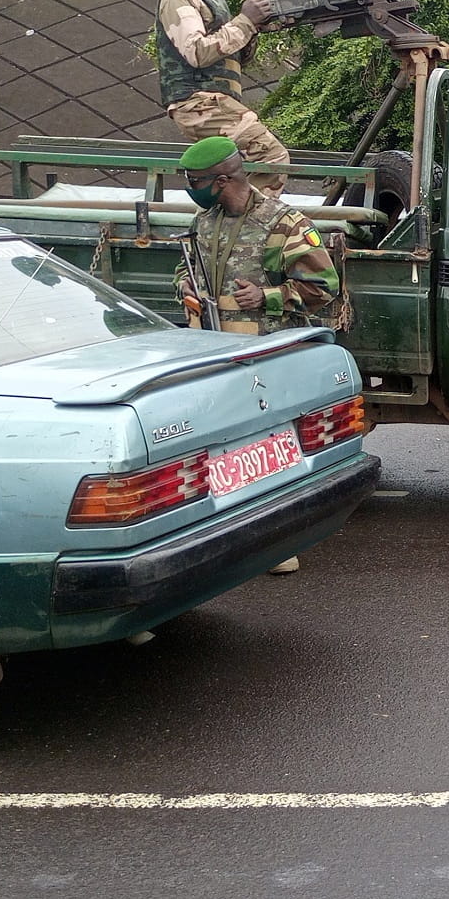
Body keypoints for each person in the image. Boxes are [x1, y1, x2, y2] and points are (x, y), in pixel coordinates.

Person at [177, 136, 339, 573]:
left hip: (265, 357)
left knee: (269, 448)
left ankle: (278, 544)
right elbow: (184, 266)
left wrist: (267, 296)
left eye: (196, 181)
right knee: (217, 451)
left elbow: (324, 288)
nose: (192, 189)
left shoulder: (283, 222)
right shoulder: (205, 220)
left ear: (224, 179)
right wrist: (186, 287)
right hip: (212, 353)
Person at [156, 0, 291, 196]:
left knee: (243, 171)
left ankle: (233, 220)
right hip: (199, 104)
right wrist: (245, 21)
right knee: (271, 158)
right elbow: (197, 52)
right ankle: (246, 227)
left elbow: (231, 57)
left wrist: (254, 27)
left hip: (212, 103)